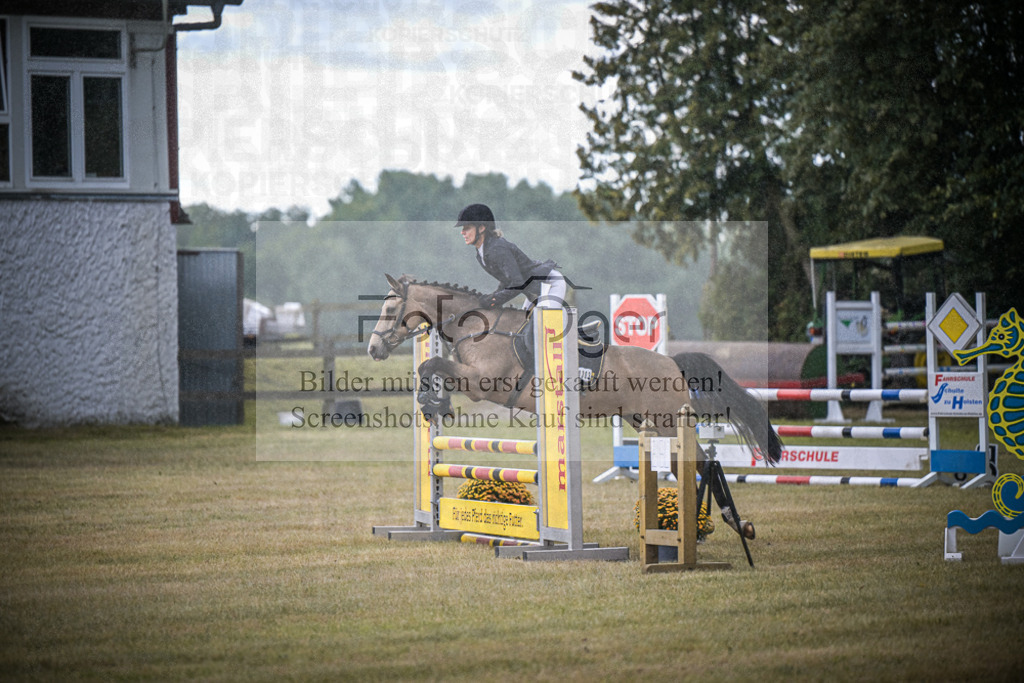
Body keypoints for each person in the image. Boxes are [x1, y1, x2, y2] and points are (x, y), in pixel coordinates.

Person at [455, 203, 567, 310]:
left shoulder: (497, 249)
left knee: (544, 325)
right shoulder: (482, 253)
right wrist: (492, 297)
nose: (462, 232)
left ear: (481, 228)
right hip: (535, 290)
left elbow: (518, 283)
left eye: (467, 228)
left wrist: (494, 299)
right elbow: (506, 280)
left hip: (550, 285)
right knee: (521, 328)